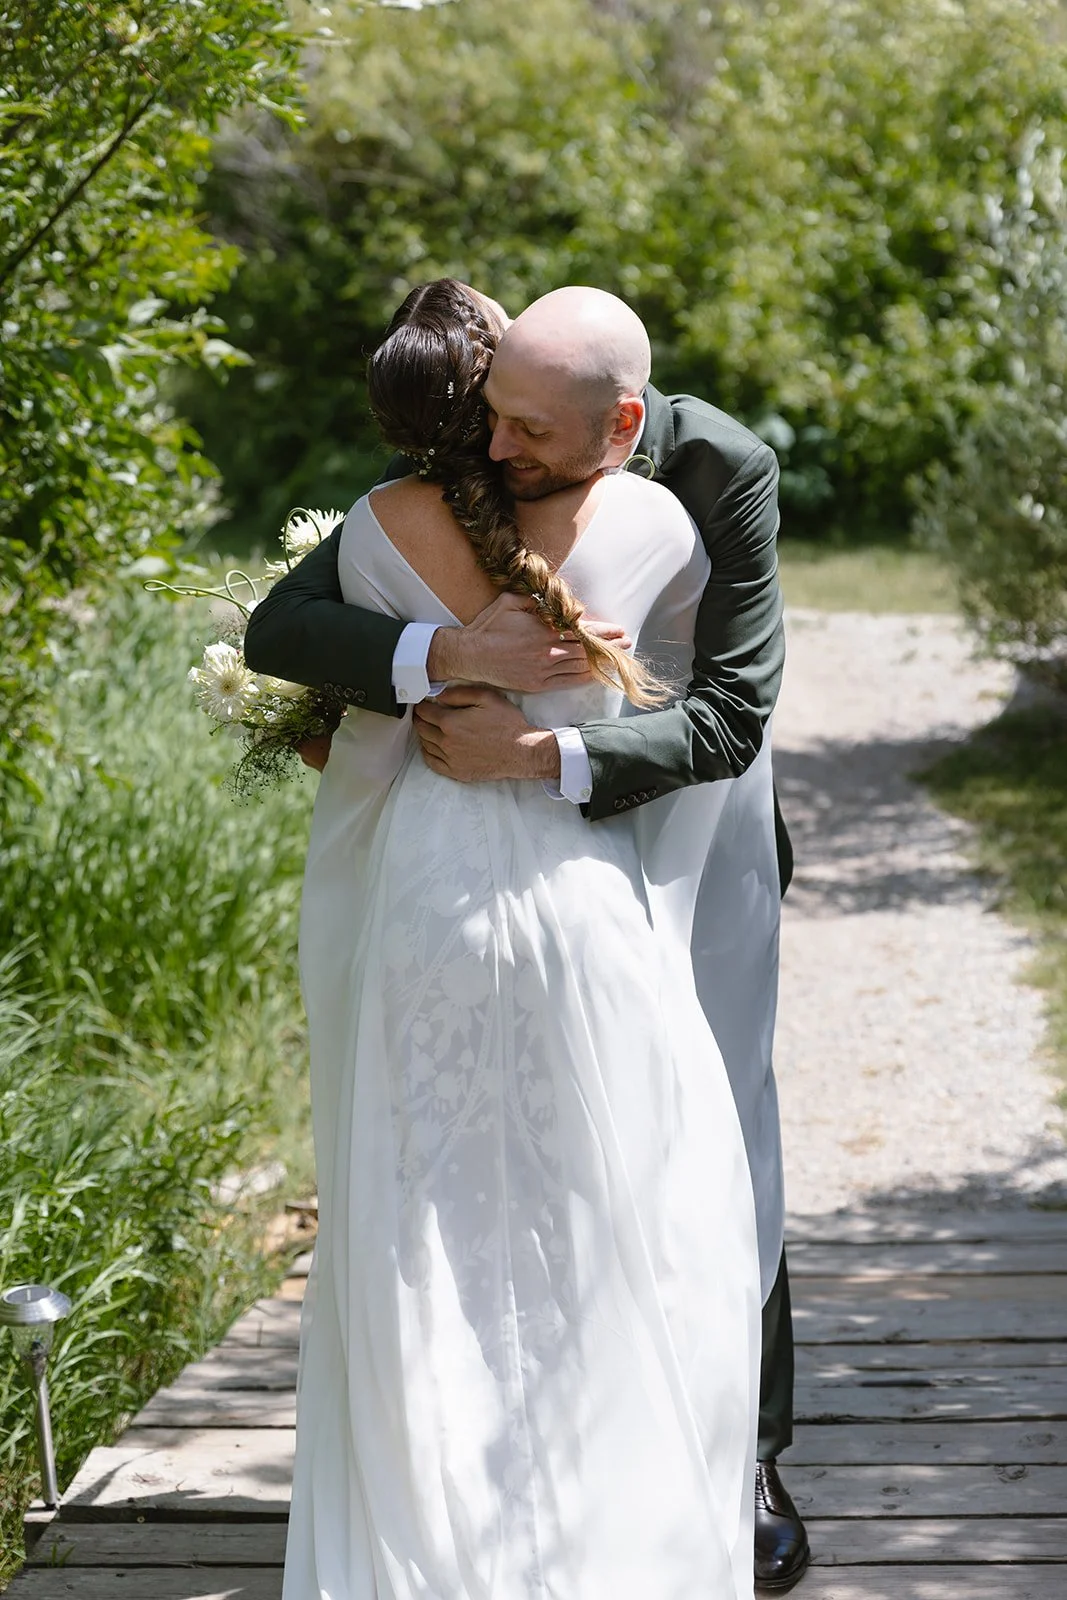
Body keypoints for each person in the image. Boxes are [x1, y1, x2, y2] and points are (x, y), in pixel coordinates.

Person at [247, 285, 810, 1595]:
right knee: (567, 1163)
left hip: (672, 833)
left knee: (712, 1136)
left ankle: (744, 1456)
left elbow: (728, 712)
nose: (499, 453)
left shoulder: (715, 472)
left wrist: (540, 749)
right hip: (509, 873)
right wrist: (427, 658)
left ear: (619, 423)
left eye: (529, 435)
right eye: (488, 418)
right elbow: (310, 617)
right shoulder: (483, 438)